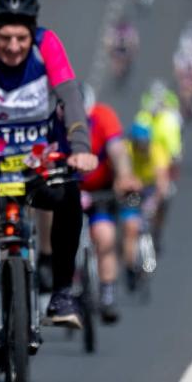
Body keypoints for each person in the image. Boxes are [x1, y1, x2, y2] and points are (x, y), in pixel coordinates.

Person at [0, 0, 97, 382]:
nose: (15, 47)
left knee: (69, 196)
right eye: (6, 38)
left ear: (33, 33)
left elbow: (70, 98)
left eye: (22, 37)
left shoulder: (46, 46)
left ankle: (61, 293)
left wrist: (80, 148)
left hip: (40, 161)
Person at [79, 84, 140, 324]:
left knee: (105, 237)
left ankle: (107, 293)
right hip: (68, 190)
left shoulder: (103, 116)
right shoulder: (57, 121)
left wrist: (124, 176)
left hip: (99, 191)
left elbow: (117, 150)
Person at [121, 120, 171, 285]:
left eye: (145, 144)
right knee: (131, 228)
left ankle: (157, 233)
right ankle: (130, 267)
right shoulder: (126, 150)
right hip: (132, 189)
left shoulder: (157, 151)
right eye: (139, 144)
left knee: (163, 203)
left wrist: (155, 201)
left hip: (150, 188)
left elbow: (162, 182)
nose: (142, 148)